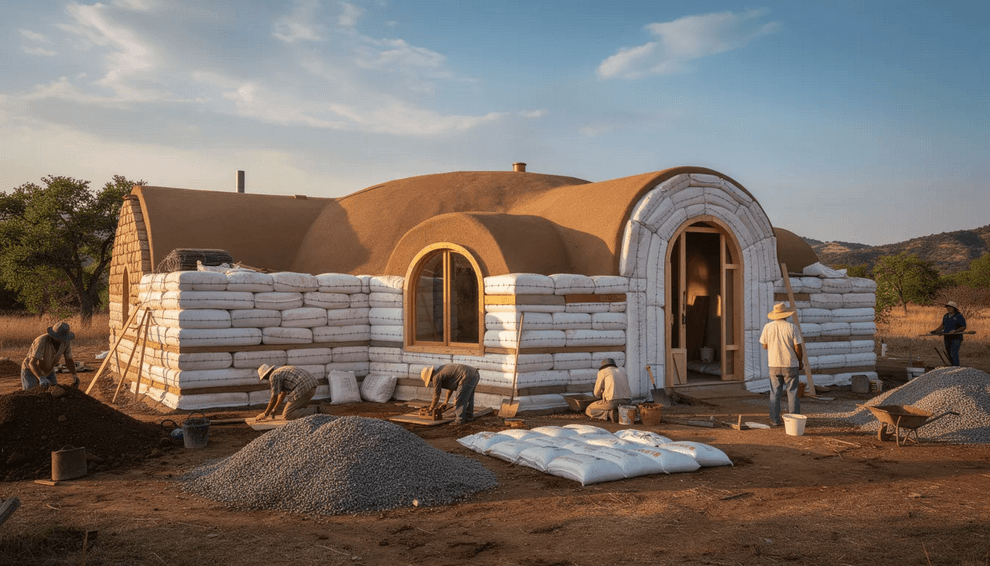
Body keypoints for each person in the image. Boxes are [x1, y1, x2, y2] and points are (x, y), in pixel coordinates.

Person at [759, 303, 804, 427]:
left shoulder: (768, 327)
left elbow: (764, 345)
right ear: (786, 315)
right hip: (790, 363)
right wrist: (800, 362)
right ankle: (794, 420)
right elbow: (798, 347)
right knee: (793, 392)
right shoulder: (792, 327)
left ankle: (774, 420)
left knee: (774, 393)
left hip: (774, 364)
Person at [255, 364, 330, 421]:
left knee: (287, 415)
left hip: (303, 387)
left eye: (264, 378)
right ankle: (312, 413)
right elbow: (282, 394)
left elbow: (274, 398)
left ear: (266, 375)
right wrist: (274, 409)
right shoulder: (279, 371)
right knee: (298, 408)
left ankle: (317, 410)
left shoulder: (273, 376)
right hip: (311, 386)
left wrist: (265, 414)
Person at [21, 322, 79, 390]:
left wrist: (74, 375)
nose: (61, 340)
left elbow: (68, 360)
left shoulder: (65, 341)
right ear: (53, 335)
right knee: (32, 396)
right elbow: (32, 363)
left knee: (55, 393)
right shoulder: (42, 341)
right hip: (31, 371)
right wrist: (41, 378)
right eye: (59, 338)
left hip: (48, 371)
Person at [931, 301, 967, 366]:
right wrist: (935, 331)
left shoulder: (959, 316)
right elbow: (942, 325)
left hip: (956, 338)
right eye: (947, 307)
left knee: (954, 353)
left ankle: (956, 368)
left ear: (954, 308)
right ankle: (952, 367)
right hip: (947, 337)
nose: (948, 308)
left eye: (950, 307)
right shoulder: (946, 316)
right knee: (949, 354)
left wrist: (955, 331)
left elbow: (963, 327)